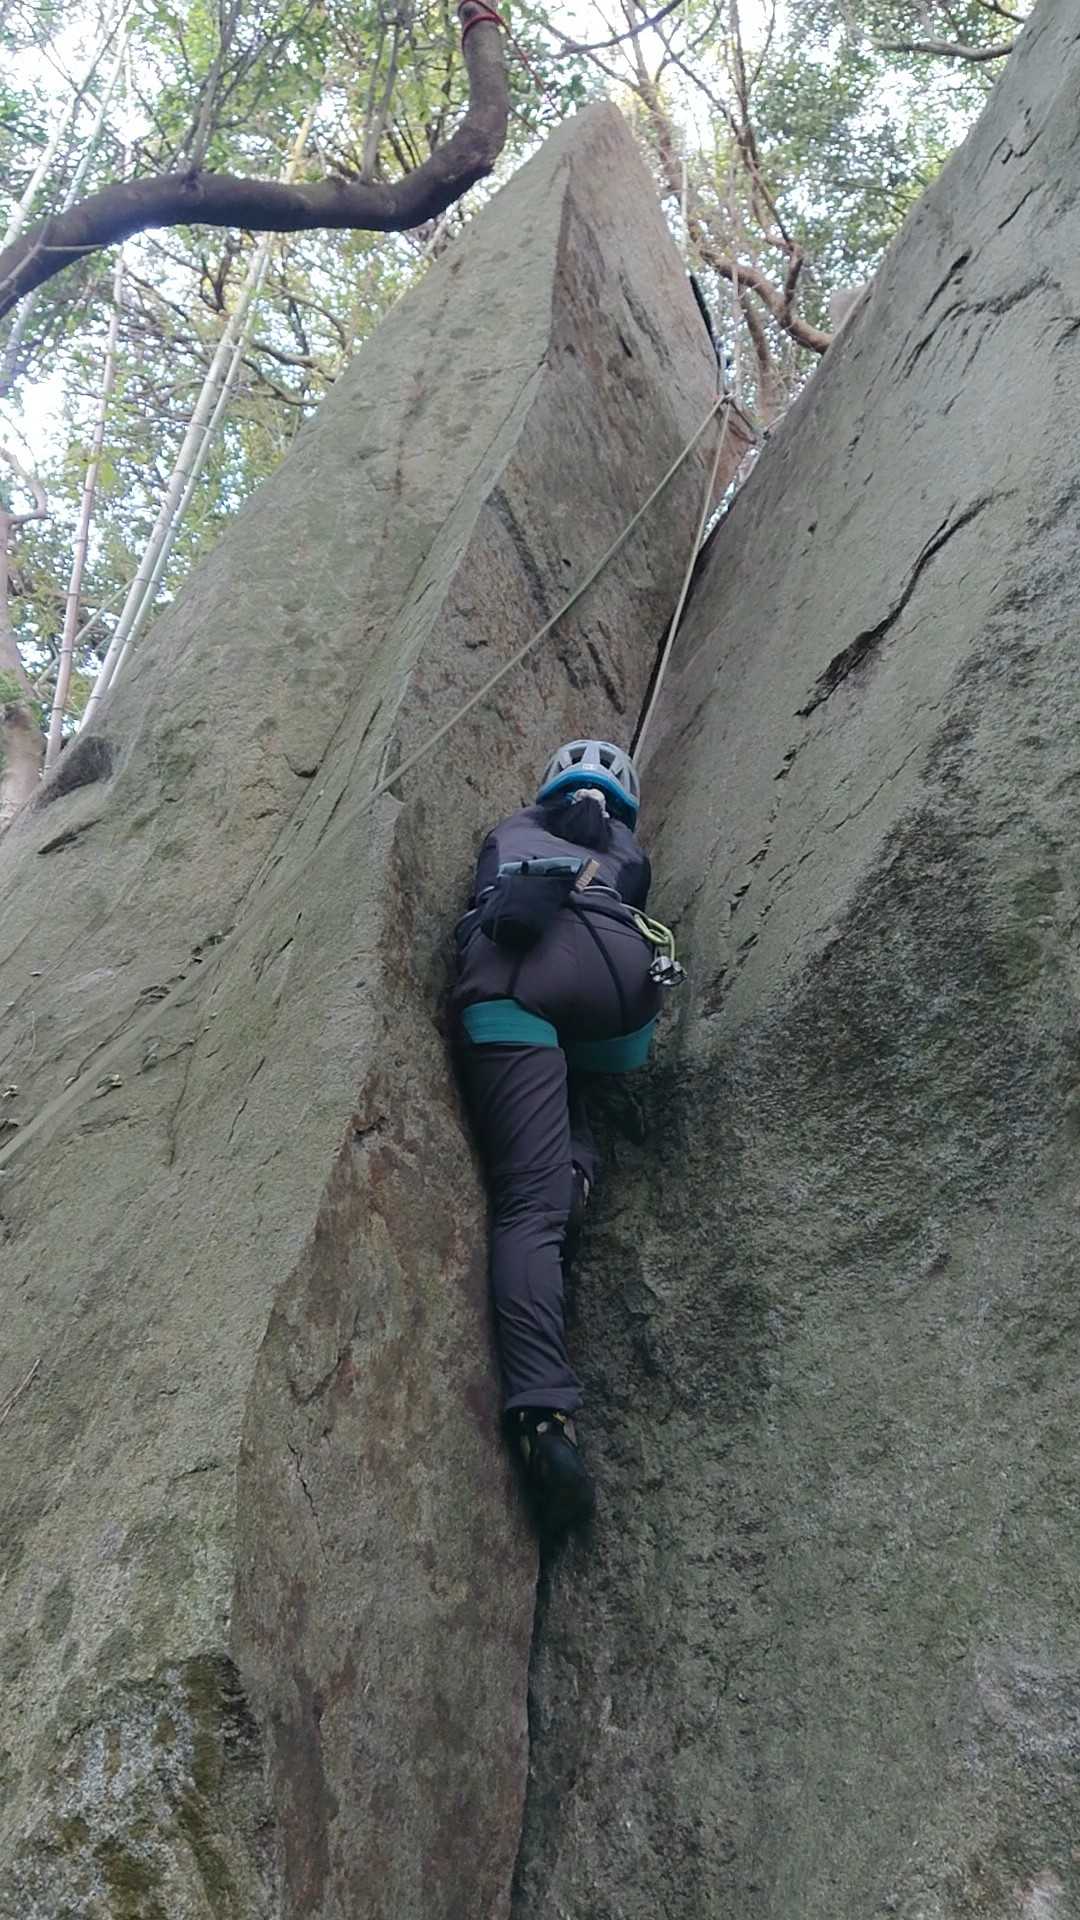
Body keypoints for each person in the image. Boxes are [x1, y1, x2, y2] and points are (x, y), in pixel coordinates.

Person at [453, 739, 680, 1535]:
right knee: (570, 1089)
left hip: (519, 972)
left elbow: (488, 896)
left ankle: (543, 1418)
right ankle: (574, 1174)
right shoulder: (631, 856)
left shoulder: (512, 829)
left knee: (526, 1207)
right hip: (619, 994)